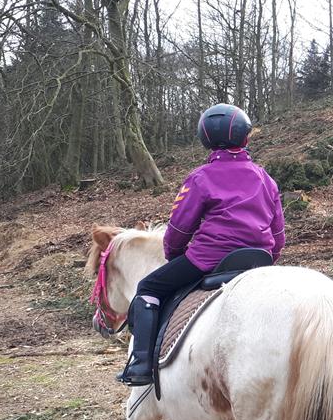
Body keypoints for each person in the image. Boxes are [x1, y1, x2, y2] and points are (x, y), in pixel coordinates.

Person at [117, 103, 285, 386]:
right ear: (245, 137)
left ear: (205, 139)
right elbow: (278, 234)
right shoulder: (264, 178)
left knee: (149, 287)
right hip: (258, 259)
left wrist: (174, 255)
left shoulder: (200, 178)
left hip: (209, 259)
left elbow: (179, 229)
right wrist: (269, 258)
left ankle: (142, 364)